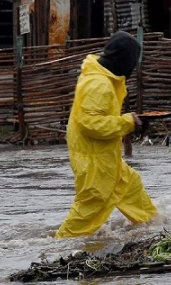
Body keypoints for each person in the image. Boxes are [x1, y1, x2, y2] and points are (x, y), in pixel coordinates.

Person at [55, 31, 157, 238]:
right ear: (124, 61)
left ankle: (151, 227)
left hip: (103, 155)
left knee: (130, 186)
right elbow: (90, 123)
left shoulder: (103, 78)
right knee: (93, 203)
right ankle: (61, 246)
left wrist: (131, 121)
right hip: (93, 159)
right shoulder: (99, 84)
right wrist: (127, 122)